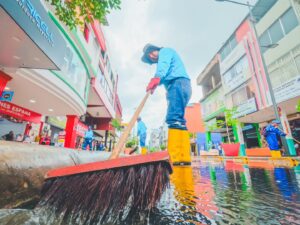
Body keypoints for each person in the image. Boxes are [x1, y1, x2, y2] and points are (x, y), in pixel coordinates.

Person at [141, 44, 192, 164]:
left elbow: (163, 67)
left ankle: (175, 156)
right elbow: (163, 77)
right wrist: (155, 84)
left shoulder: (165, 51)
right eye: (149, 57)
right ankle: (182, 156)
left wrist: (156, 77)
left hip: (178, 84)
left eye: (151, 53)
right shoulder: (165, 61)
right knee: (177, 119)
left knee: (173, 119)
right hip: (180, 86)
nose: (152, 57)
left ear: (155, 49)